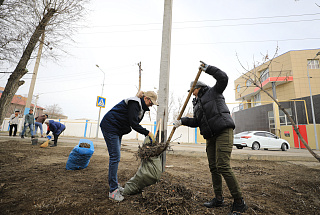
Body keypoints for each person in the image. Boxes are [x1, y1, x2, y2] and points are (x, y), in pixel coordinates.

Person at [173, 61, 248, 215]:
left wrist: (208, 69)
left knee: (223, 165)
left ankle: (239, 202)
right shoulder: (197, 104)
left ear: (197, 87)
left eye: (192, 90)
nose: (191, 93)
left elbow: (223, 78)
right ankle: (218, 198)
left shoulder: (214, 92)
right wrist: (182, 121)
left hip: (223, 131)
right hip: (210, 136)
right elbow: (197, 122)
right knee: (213, 167)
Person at [100, 91, 159, 202]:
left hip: (117, 129)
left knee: (116, 157)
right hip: (110, 126)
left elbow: (133, 121)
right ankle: (113, 191)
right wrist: (148, 133)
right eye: (151, 102)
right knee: (115, 157)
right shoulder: (134, 103)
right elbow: (134, 124)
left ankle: (115, 185)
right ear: (146, 98)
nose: (152, 105)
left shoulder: (140, 106)